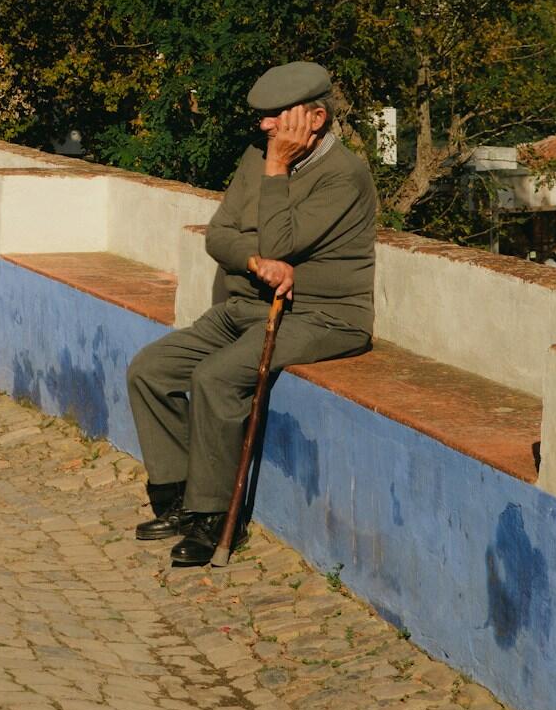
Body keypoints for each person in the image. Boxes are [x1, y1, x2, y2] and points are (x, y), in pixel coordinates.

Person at [124, 61, 378, 566]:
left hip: (322, 316)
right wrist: (256, 258)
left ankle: (215, 518)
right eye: (261, 118)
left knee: (217, 378)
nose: (263, 127)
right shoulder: (256, 158)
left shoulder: (343, 176)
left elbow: (281, 238)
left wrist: (276, 174)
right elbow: (219, 235)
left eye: (274, 117)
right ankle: (177, 500)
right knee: (150, 371)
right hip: (248, 305)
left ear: (316, 117)